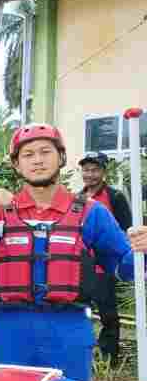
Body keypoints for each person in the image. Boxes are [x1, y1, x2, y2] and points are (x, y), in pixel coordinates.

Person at [0, 125, 147, 381]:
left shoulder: (91, 212)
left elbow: (126, 269)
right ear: (17, 165)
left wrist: (142, 249)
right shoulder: (1, 212)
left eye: (45, 152)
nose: (38, 160)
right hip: (10, 329)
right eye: (28, 154)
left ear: (61, 157)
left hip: (69, 328)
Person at [78, 151, 133, 365]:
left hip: (104, 268)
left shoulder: (115, 196)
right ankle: (86, 351)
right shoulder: (78, 197)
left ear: (103, 171)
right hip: (82, 268)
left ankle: (110, 357)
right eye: (86, 170)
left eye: (95, 170)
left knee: (108, 314)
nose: (90, 174)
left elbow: (127, 231)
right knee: (81, 311)